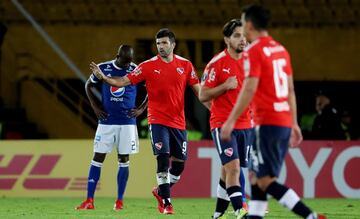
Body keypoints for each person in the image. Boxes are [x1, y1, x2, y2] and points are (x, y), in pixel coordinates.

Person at [220, 5, 327, 219]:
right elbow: (290, 90)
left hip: (266, 122)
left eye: (243, 22)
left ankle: (310, 216)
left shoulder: (253, 51)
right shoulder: (281, 50)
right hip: (283, 121)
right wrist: (294, 123)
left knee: (265, 181)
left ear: (249, 24)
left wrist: (230, 121)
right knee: (256, 178)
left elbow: (249, 88)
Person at [90, 28, 209, 215]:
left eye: (164, 43)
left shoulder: (185, 65)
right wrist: (104, 78)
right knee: (162, 158)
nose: (161, 47)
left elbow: (200, 92)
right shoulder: (147, 66)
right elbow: (122, 81)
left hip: (178, 122)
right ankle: (167, 203)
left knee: (179, 165)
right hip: (157, 120)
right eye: (158, 43)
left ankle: (160, 190)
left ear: (173, 44)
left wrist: (216, 109)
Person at [76, 45, 147, 211]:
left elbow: (150, 88)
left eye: (129, 62)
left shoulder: (135, 69)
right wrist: (95, 107)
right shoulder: (103, 68)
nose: (126, 66)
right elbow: (88, 86)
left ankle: (120, 201)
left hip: (127, 123)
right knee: (98, 157)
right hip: (107, 122)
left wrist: (141, 109)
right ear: (117, 56)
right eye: (124, 62)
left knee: (123, 160)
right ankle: (89, 200)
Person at [199, 19, 252, 219]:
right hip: (223, 124)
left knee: (227, 169)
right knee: (234, 168)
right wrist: (224, 86)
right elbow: (203, 95)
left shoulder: (250, 61)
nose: (242, 39)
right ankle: (240, 210)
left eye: (244, 35)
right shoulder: (216, 64)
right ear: (227, 39)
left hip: (246, 123)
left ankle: (218, 213)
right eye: (237, 35)